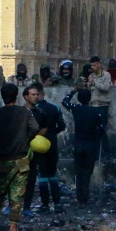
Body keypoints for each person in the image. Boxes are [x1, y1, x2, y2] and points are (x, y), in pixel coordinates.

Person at [0, 84, 40, 231]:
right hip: (21, 160)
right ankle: (13, 228)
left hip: (3, 160)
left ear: (2, 97)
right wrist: (26, 139)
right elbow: (35, 127)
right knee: (17, 196)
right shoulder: (25, 112)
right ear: (16, 96)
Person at [24, 83, 66, 214]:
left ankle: (45, 205)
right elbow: (62, 125)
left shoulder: (33, 111)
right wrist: (52, 133)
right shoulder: (55, 108)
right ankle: (57, 204)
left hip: (37, 145)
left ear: (39, 94)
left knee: (42, 175)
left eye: (36, 94)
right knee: (52, 174)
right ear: (45, 93)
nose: (35, 97)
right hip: (52, 143)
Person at [61, 87, 106, 204]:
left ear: (79, 99)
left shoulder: (76, 109)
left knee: (79, 171)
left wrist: (74, 90)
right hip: (90, 145)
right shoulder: (96, 112)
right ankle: (85, 196)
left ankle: (79, 197)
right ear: (90, 98)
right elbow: (101, 129)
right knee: (87, 172)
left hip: (78, 144)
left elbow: (64, 102)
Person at [20, 85, 48, 216]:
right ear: (26, 96)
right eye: (33, 94)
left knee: (30, 179)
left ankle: (26, 207)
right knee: (15, 179)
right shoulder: (18, 112)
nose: (36, 97)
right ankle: (12, 205)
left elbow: (44, 128)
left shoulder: (40, 113)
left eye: (37, 94)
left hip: (32, 152)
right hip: (18, 150)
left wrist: (35, 138)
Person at [87, 57, 112, 154]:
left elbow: (106, 88)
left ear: (99, 64)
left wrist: (94, 82)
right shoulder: (91, 76)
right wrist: (88, 84)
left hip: (102, 106)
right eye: (91, 65)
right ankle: (95, 152)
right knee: (93, 130)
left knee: (102, 130)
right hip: (93, 106)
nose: (93, 67)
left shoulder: (106, 75)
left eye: (94, 65)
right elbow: (90, 91)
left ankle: (106, 152)